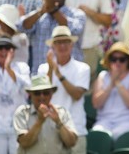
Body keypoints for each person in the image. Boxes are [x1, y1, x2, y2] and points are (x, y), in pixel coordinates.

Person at [17, 0, 86, 74]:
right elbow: (21, 26)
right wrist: (42, 10)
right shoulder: (39, 15)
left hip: (70, 76)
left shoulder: (76, 14)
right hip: (42, 76)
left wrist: (53, 9)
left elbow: (76, 30)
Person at [38, 25, 91, 154]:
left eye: (66, 41)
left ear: (71, 44)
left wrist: (58, 73)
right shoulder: (43, 69)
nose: (62, 46)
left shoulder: (82, 68)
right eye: (58, 42)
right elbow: (42, 97)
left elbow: (77, 94)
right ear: (53, 46)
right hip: (50, 130)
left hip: (75, 129)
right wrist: (51, 69)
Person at [65, 0, 113, 83]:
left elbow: (108, 20)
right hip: (67, 46)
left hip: (90, 46)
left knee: (89, 87)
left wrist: (90, 12)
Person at [92, 42, 129, 140]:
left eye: (122, 59)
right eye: (114, 59)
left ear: (128, 60)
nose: (117, 63)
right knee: (97, 134)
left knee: (117, 135)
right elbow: (96, 104)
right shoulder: (103, 76)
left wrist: (117, 81)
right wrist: (111, 84)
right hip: (105, 121)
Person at [13, 75, 78, 153]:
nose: (42, 97)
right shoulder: (22, 113)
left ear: (51, 94)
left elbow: (71, 143)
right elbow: (24, 142)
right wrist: (39, 122)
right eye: (37, 93)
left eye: (46, 93)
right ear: (30, 95)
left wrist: (58, 122)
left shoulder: (61, 112)